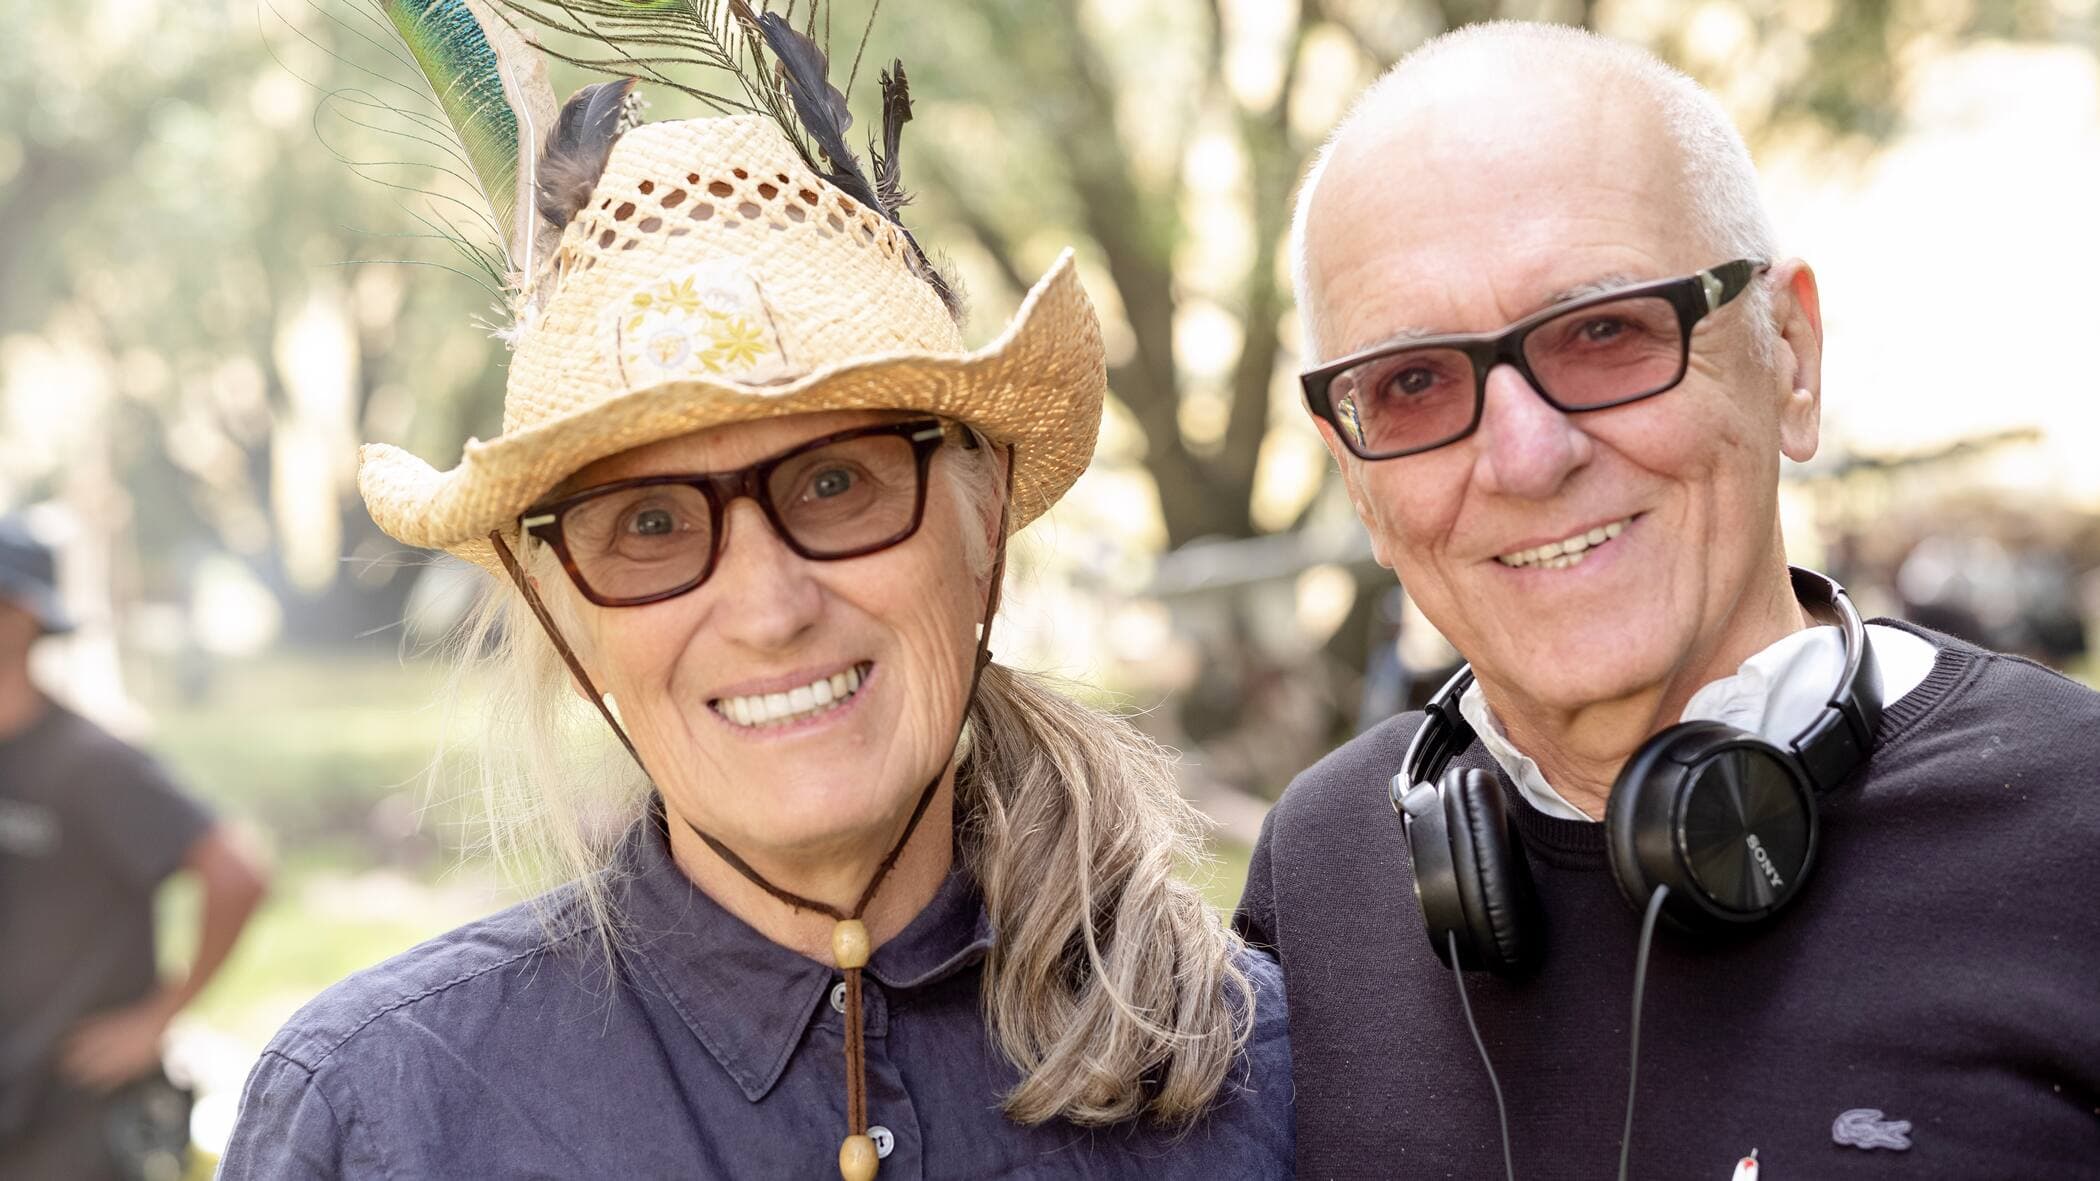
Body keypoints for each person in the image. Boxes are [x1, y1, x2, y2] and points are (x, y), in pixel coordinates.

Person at [218, 38, 1292, 1179]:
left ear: (983, 536)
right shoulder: (380, 1118)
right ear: (570, 615)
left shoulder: (1262, 1065)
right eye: (649, 524)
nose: (769, 607)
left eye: (836, 483)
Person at [1235, 20, 2100, 1179]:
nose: (1527, 455)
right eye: (1411, 383)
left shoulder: (2075, 830)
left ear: (1790, 353)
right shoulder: (1322, 864)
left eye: (1603, 331)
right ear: (1354, 474)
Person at [0, 516, 270, 1181]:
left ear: (20, 617)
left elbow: (238, 873)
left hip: (76, 1121)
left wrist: (155, 1019)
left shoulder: (89, 763)